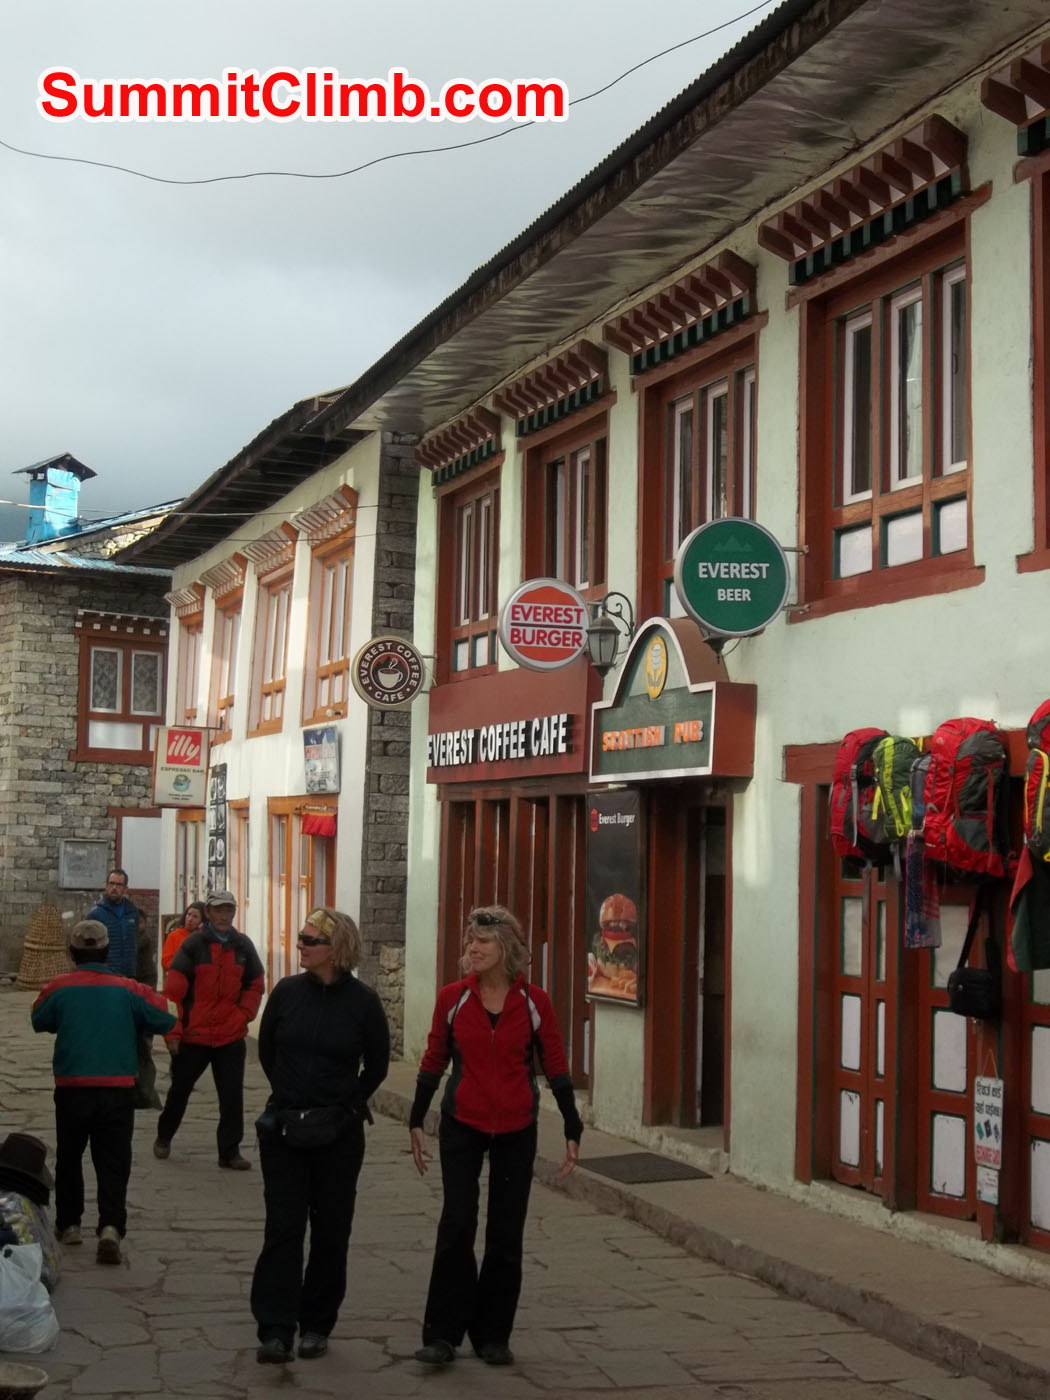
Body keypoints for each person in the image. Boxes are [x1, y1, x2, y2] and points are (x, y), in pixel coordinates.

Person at [409, 905, 582, 1369]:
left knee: (505, 1233)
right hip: (462, 1122)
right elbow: (433, 1058)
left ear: (506, 948)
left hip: (516, 1127)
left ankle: (493, 1334)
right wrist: (415, 1118)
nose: (472, 949)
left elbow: (556, 1064)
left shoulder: (534, 1002)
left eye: (482, 942)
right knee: (458, 1222)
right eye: (470, 942)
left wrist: (571, 1125)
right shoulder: (453, 998)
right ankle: (442, 1333)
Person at [250, 907, 390, 1366]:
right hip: (286, 1129)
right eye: (301, 938)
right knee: (284, 1227)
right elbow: (268, 1049)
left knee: (331, 1231)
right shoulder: (287, 993)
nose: (301, 946)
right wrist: (291, 1093)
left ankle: (316, 1325)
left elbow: (378, 1063)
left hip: (338, 1135)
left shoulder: (363, 1003)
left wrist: (348, 1104)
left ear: (336, 949)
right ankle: (275, 1328)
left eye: (310, 940)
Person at [30, 919, 177, 1265]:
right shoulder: (128, 989)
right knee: (114, 1161)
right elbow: (167, 1016)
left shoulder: (57, 987)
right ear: (107, 951)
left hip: (72, 1089)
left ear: (72, 952)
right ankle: (110, 1225)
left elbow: (39, 1019)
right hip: (117, 1091)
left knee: (69, 1157)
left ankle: (69, 1225)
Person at [155, 889, 264, 1170]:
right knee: (179, 1091)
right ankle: (164, 1135)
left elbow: (255, 983)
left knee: (231, 1096)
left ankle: (229, 1152)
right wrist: (173, 1032)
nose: (224, 915)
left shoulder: (243, 947)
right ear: (209, 913)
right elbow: (173, 994)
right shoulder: (193, 946)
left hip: (230, 1035)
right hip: (194, 1035)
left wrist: (244, 1015)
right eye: (219, 910)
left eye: (229, 910)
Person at [87, 867, 162, 1110]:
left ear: (125, 888)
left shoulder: (131, 913)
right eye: (111, 883)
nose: (114, 888)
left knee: (138, 1039)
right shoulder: (96, 914)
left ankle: (142, 1092)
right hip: (105, 981)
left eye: (119, 884)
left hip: (129, 981)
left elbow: (139, 949)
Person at [161, 901, 206, 973]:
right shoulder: (174, 935)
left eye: (195, 917)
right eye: (189, 914)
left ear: (202, 921)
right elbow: (166, 960)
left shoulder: (204, 938)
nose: (190, 919)